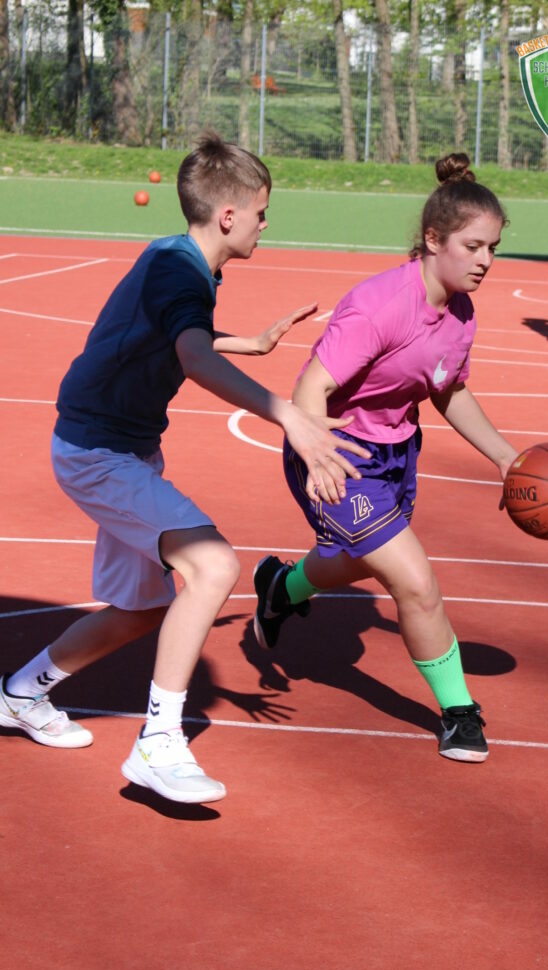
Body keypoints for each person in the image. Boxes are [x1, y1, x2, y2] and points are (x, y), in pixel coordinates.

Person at [0, 131, 369, 804]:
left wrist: (248, 343)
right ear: (228, 216)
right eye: (261, 212)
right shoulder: (182, 271)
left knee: (141, 610)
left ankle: (21, 694)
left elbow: (172, 334)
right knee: (214, 566)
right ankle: (159, 745)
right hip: (98, 452)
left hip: (118, 447)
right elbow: (192, 356)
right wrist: (288, 414)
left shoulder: (174, 258)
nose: (265, 223)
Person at [252, 153, 519, 764]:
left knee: (361, 561)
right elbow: (310, 387)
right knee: (415, 584)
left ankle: (281, 587)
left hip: (396, 452)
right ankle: (459, 713)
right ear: (434, 239)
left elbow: (447, 388)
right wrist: (319, 458)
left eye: (493, 248)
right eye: (473, 246)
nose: (485, 260)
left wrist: (505, 457)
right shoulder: (379, 305)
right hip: (336, 450)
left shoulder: (460, 311)